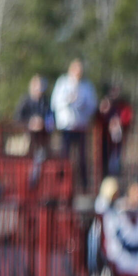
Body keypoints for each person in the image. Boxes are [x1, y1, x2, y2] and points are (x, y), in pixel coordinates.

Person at [51, 59, 97, 192]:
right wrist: (67, 99)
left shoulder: (87, 86)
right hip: (66, 128)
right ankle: (61, 185)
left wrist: (83, 105)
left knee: (82, 159)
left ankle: (83, 187)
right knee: (64, 157)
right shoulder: (62, 83)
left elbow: (92, 105)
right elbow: (55, 103)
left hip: (81, 128)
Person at [15, 75, 53, 184]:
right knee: (24, 161)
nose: (39, 89)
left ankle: (34, 182)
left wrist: (44, 124)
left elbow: (51, 119)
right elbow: (17, 118)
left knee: (40, 159)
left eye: (40, 86)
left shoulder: (45, 102)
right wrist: (29, 123)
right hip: (25, 139)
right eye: (36, 86)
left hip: (41, 140)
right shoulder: (25, 101)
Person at [96, 84, 133, 179]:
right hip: (104, 139)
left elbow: (128, 118)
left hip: (117, 142)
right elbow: (98, 119)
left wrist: (119, 122)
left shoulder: (123, 106)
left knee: (115, 163)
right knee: (103, 162)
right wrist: (103, 111)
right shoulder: (105, 105)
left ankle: (114, 181)